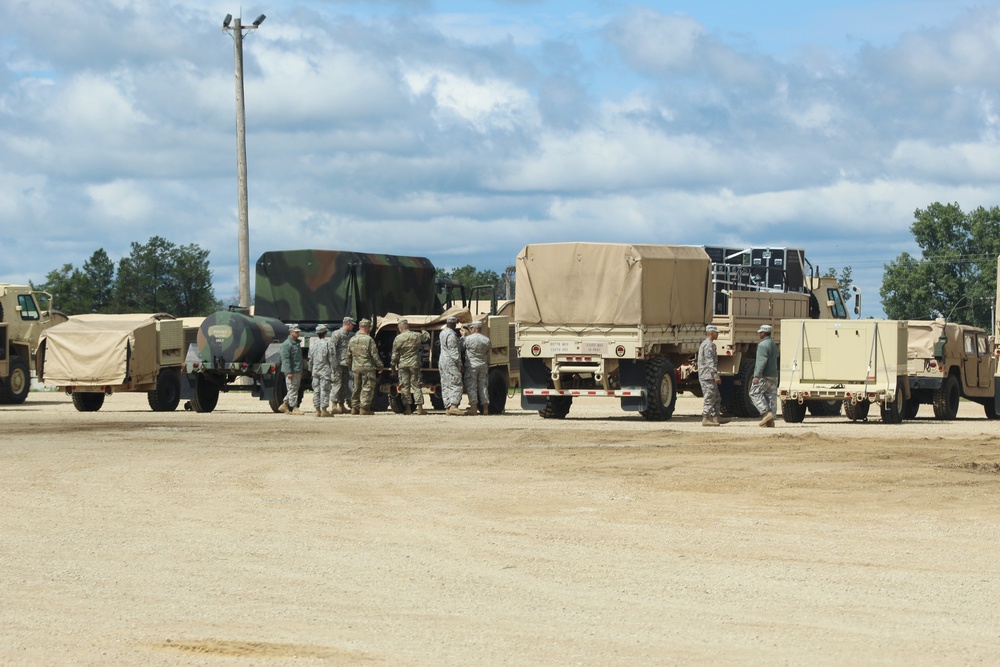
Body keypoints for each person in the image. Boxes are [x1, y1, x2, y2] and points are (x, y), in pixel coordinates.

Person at [391, 319, 430, 415]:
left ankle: (408, 408)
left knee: (405, 386)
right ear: (407, 327)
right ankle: (420, 408)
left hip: (403, 365)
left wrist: (392, 366)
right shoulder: (415, 335)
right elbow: (426, 337)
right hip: (414, 364)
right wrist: (423, 330)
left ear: (400, 328)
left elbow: (395, 354)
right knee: (416, 385)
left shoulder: (398, 338)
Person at [346, 318, 384, 415]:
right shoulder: (369, 340)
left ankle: (354, 408)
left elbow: (348, 355)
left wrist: (349, 366)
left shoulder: (352, 339)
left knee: (356, 387)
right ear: (368, 328)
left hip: (356, 367)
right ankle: (364, 408)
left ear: (359, 327)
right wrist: (380, 366)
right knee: (367, 387)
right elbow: (374, 354)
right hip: (367, 367)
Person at [698, 324, 729, 426]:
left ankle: (716, 417)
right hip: (707, 376)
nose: (718, 334)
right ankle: (706, 418)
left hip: (709, 375)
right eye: (716, 332)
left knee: (716, 397)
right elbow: (709, 361)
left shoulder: (710, 344)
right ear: (711, 333)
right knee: (710, 397)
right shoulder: (708, 345)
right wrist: (715, 375)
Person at [751, 324, 779, 427]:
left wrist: (757, 375)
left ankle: (766, 413)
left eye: (760, 332)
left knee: (754, 393)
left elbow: (761, 361)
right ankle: (770, 421)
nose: (759, 334)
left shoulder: (763, 345)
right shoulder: (772, 344)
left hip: (765, 375)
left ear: (763, 333)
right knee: (770, 396)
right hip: (774, 374)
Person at [462, 321, 491, 415]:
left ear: (474, 329)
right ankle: (485, 408)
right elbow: (489, 350)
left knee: (472, 386)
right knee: (483, 386)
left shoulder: (468, 339)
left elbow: (461, 347)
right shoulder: (486, 339)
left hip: (472, 366)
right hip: (483, 365)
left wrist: (463, 336)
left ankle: (473, 408)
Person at [439, 316, 464, 416]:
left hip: (443, 361)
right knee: (456, 382)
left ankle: (448, 406)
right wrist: (460, 365)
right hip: (451, 362)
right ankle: (454, 406)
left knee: (445, 383)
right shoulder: (451, 335)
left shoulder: (442, 333)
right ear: (453, 324)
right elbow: (454, 352)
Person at [309, 324, 335, 418]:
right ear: (325, 333)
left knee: (316, 390)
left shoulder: (312, 344)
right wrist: (334, 369)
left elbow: (310, 359)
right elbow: (331, 358)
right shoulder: (328, 344)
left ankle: (317, 410)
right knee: (325, 389)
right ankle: (324, 410)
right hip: (325, 370)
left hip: (315, 370)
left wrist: (310, 369)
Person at [329, 316, 355, 414]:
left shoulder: (348, 335)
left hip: (345, 364)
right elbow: (332, 350)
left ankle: (341, 405)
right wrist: (334, 364)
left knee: (344, 385)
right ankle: (334, 405)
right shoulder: (337, 334)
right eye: (352, 325)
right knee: (337, 384)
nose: (353, 327)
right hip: (338, 364)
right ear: (348, 324)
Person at [279, 324, 304, 416]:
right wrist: (288, 371)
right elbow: (285, 359)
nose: (298, 334)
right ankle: (294, 407)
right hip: (291, 371)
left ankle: (284, 405)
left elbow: (298, 359)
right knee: (292, 388)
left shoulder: (296, 343)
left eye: (298, 332)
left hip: (297, 370)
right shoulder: (287, 344)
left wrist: (300, 370)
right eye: (296, 332)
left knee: (294, 389)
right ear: (291, 332)